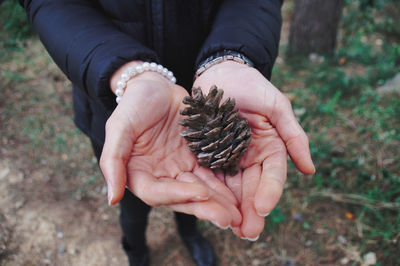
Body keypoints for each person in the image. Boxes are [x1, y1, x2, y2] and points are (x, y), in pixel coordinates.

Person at [20, 1, 315, 265]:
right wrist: (125, 72)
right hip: (120, 107)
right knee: (131, 201)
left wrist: (231, 54)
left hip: (206, 76)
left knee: (196, 195)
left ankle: (189, 233)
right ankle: (135, 251)